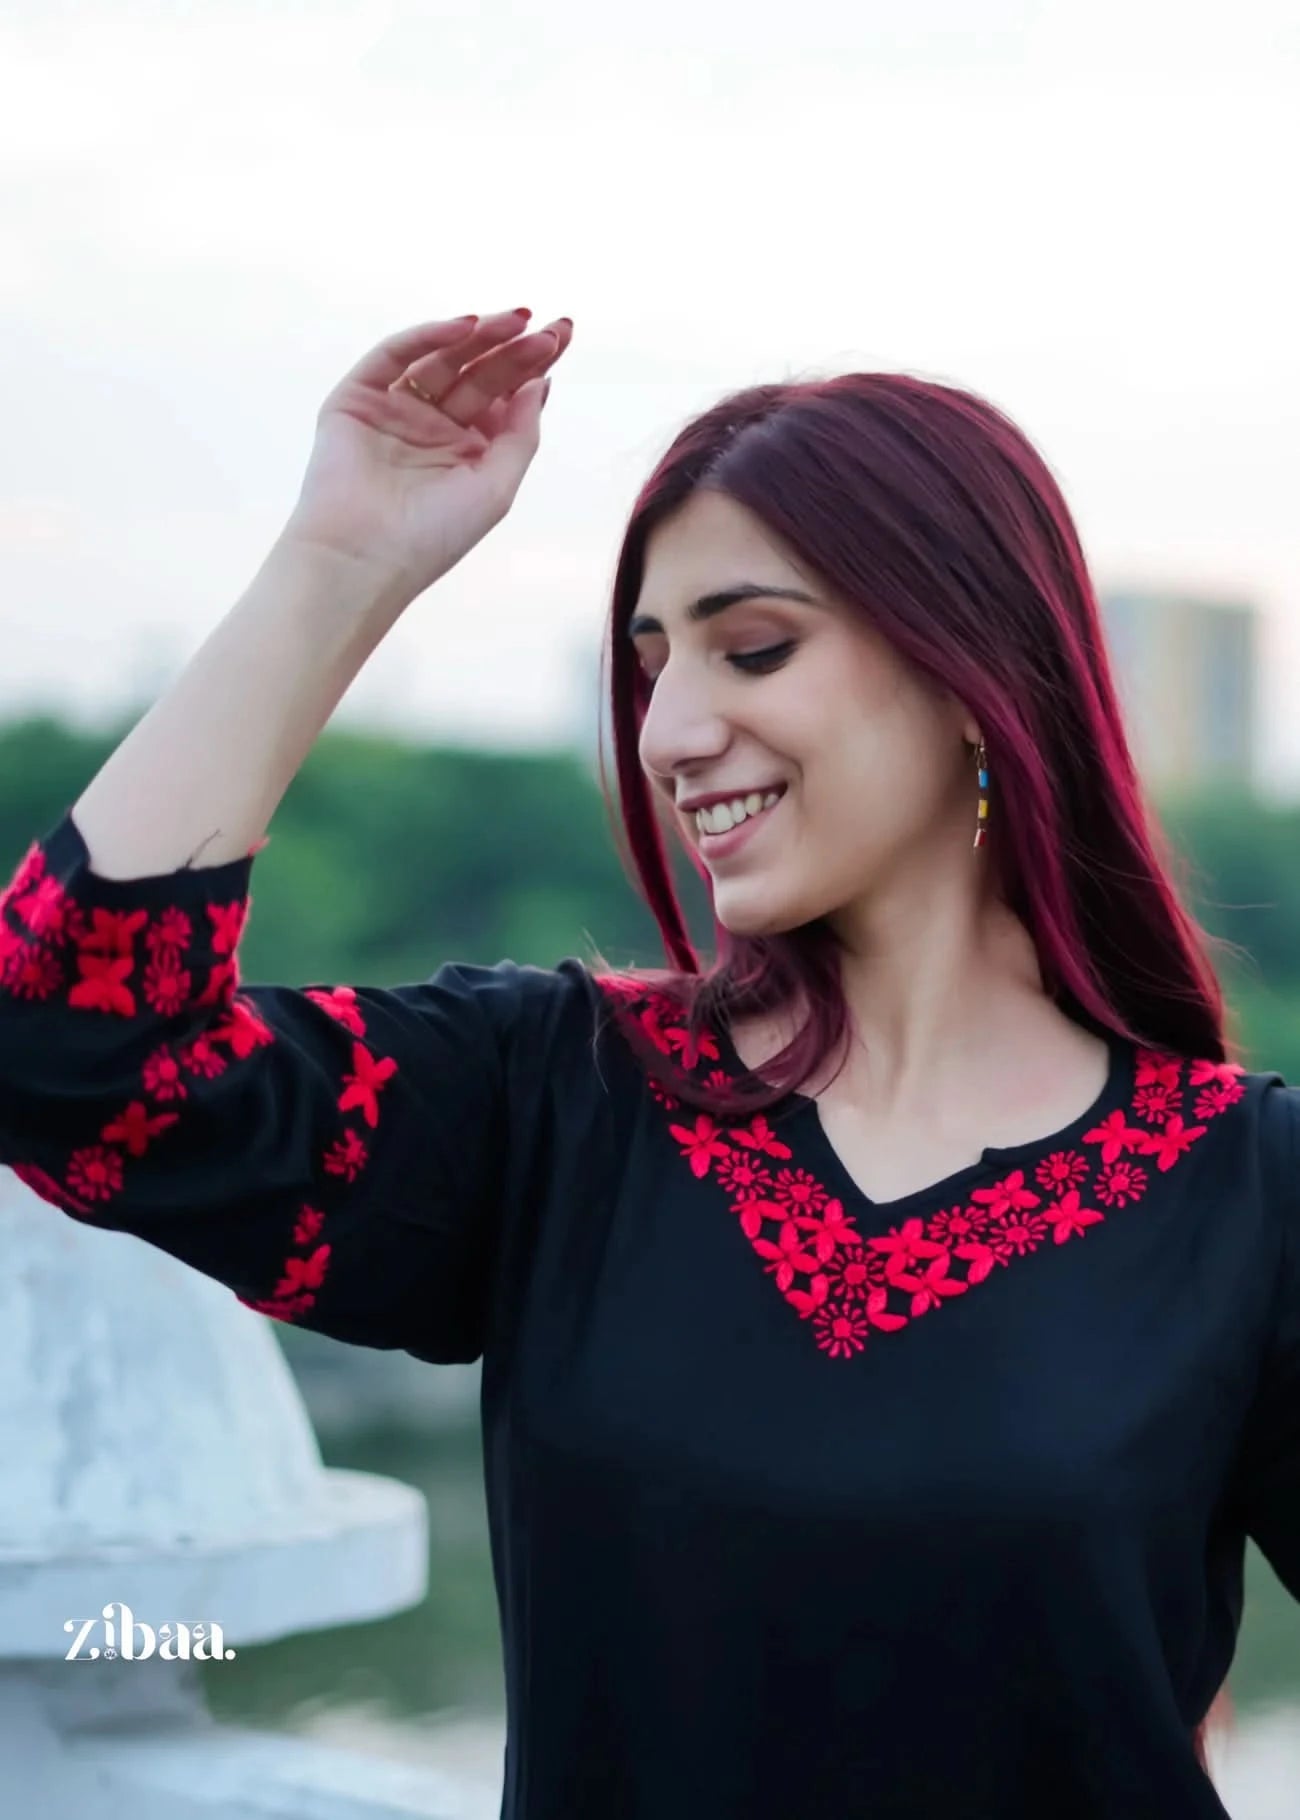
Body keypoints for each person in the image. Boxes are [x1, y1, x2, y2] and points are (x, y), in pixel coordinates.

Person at [0, 305, 1295, 1820]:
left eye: (754, 648)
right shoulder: (560, 1100)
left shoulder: (1250, 1192)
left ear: (973, 672)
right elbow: (64, 1050)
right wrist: (341, 562)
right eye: (650, 668)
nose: (670, 732)